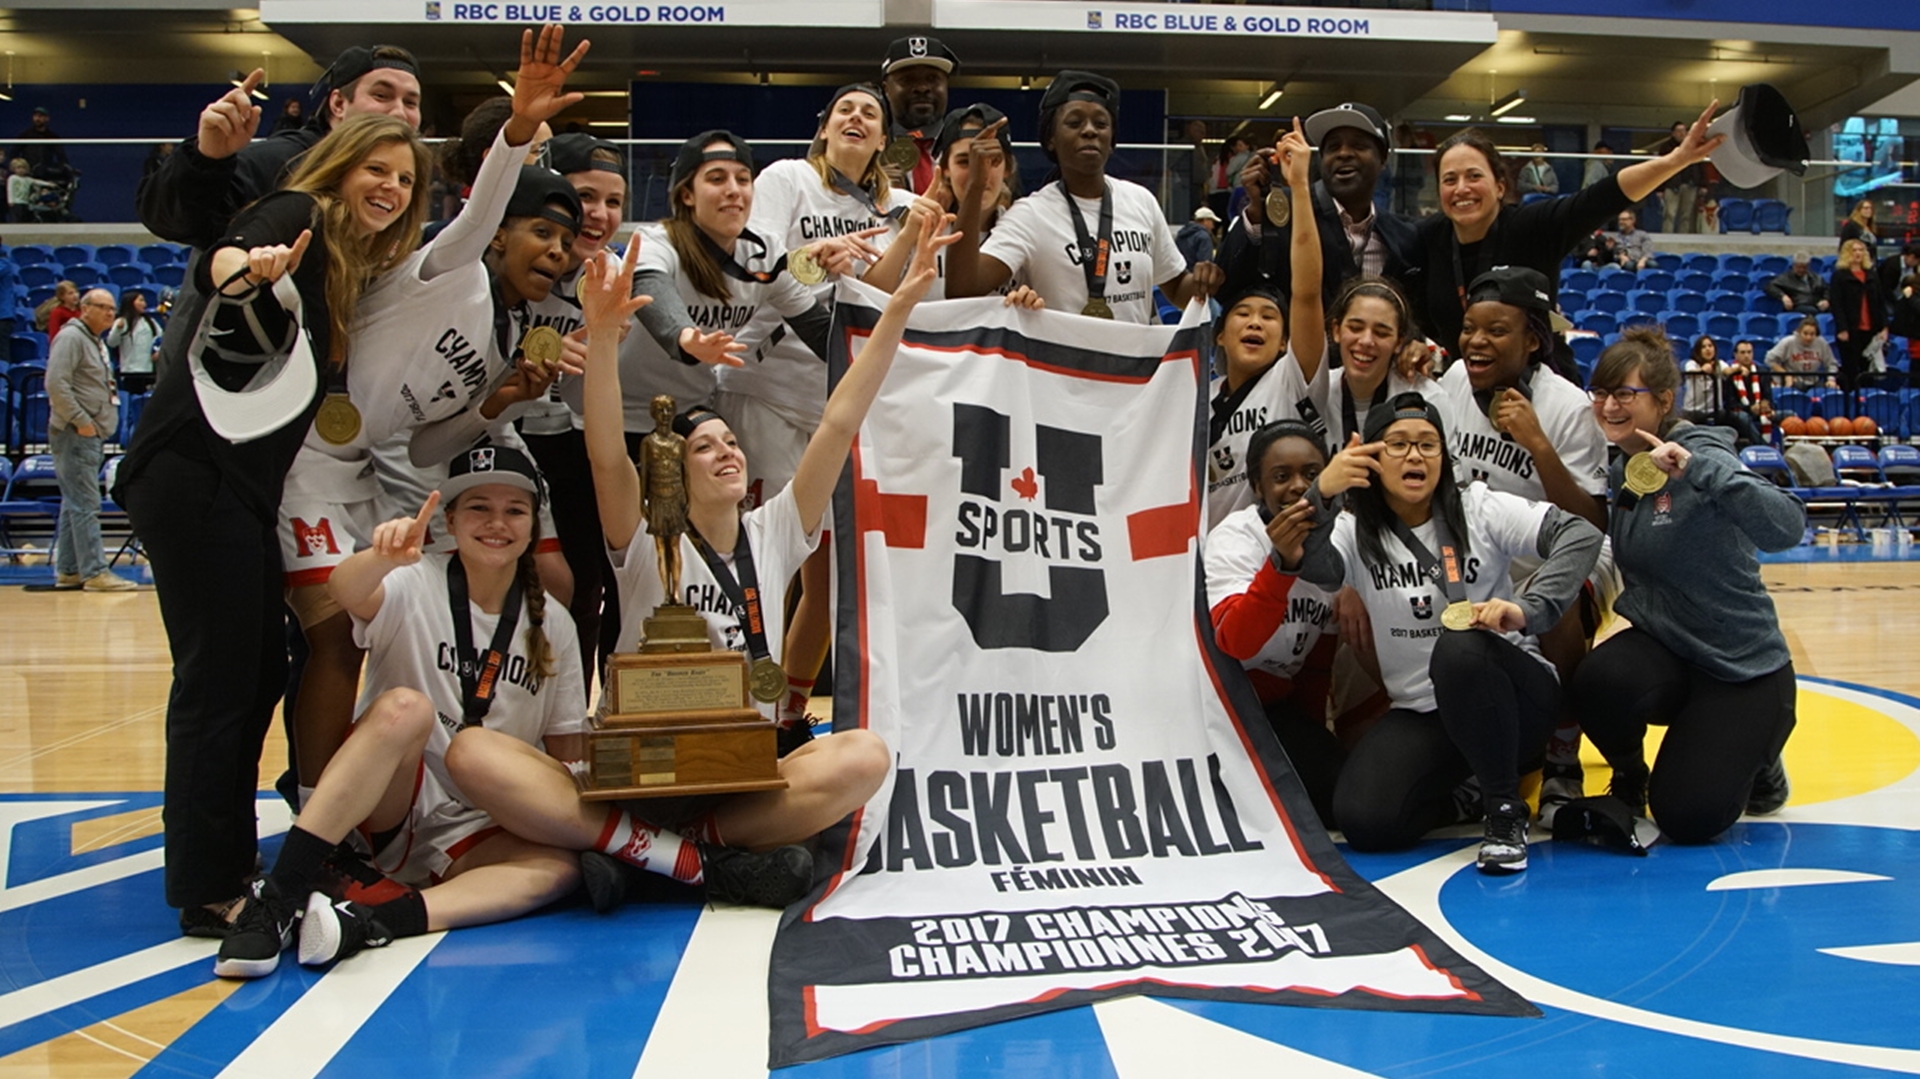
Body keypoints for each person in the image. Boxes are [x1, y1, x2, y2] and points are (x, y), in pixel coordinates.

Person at [443, 206, 939, 914]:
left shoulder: (776, 529)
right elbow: (606, 452)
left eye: (730, 443)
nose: (727, 451)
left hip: (738, 775)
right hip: (644, 771)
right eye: (704, 448)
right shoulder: (642, 537)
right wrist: (608, 335)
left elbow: (840, 417)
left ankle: (655, 855)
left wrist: (898, 311)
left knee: (862, 756)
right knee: (474, 754)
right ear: (673, 468)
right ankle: (699, 863)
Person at [109, 54, 436, 939]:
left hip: (235, 484)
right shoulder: (300, 211)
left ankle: (225, 858)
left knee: (254, 668)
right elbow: (224, 256)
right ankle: (210, 885)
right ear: (338, 153)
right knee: (222, 676)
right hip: (192, 467)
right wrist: (242, 271)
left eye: (405, 178)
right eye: (376, 167)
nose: (391, 186)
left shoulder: (348, 255)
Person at [271, 34, 587, 803]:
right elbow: (479, 211)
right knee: (332, 641)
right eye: (540, 233)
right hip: (308, 461)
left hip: (367, 475)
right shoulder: (447, 269)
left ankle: (377, 800)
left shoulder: (509, 334)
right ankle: (319, 808)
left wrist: (500, 400)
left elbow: (425, 440)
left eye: (565, 243)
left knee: (371, 638)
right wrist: (517, 128)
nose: (555, 252)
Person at [211, 445, 589, 978]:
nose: (497, 523)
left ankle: (376, 918)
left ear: (533, 525)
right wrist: (380, 558)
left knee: (559, 867)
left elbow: (566, 750)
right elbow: (347, 591)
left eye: (514, 510)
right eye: (478, 507)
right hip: (391, 806)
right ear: (450, 520)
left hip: (476, 821)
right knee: (403, 708)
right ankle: (276, 901)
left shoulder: (555, 623)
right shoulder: (416, 580)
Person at [1294, 393, 1602, 873]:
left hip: (1512, 700)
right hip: (1424, 713)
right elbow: (1310, 565)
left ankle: (1504, 810)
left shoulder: (1478, 508)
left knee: (1458, 646)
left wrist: (1529, 608)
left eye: (1427, 444)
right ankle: (1466, 797)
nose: (1415, 455)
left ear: (1444, 457)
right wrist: (1322, 494)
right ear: (1371, 458)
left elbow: (1580, 534)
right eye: (1397, 444)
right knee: (1365, 822)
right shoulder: (1355, 531)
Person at [1572, 328, 1803, 843]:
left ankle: (1760, 757)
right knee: (1599, 680)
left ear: (1664, 401)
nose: (1610, 405)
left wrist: (1702, 473)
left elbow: (1787, 526)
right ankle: (1631, 777)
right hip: (1670, 652)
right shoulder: (1621, 470)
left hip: (1741, 666)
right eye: (1602, 393)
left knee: (1686, 818)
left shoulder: (1704, 455)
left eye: (1625, 394)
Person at [1408, 105, 1724, 349]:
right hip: (1465, 396)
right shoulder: (1427, 237)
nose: (1461, 188)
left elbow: (1604, 196)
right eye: (1450, 180)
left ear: (1500, 186)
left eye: (1474, 176)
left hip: (1540, 390)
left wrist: (1676, 160)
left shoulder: (1533, 226)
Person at [944, 70, 1219, 322]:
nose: (1089, 130)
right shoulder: (1031, 214)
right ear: (1051, 139)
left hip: (1135, 372)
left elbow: (1176, 288)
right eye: (1074, 123)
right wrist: (975, 188)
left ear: (1112, 140)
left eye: (1101, 123)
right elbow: (963, 289)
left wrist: (1203, 281)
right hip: (1061, 372)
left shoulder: (1141, 201)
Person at [1205, 420, 1344, 824]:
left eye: (1312, 475)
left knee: (1338, 799)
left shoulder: (1343, 539)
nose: (1299, 486)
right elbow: (1235, 642)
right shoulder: (1235, 538)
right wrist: (1281, 566)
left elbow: (1316, 667)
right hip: (1220, 708)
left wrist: (1313, 740)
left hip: (1276, 711)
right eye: (1281, 477)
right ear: (1258, 487)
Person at [1219, 102, 1418, 320]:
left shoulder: (1404, 237)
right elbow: (1228, 286)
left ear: (1383, 160)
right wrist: (1257, 214)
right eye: (1333, 147)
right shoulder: (1283, 212)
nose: (1343, 153)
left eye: (1359, 145)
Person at [46, 289, 135, 593]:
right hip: (75, 432)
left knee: (74, 504)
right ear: (85, 309)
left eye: (112, 308)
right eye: (103, 307)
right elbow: (55, 383)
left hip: (88, 432)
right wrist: (82, 421)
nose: (110, 313)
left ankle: (70, 570)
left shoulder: (92, 339)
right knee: (85, 503)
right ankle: (95, 571)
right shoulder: (71, 338)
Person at [877, 35, 957, 194]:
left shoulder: (967, 148)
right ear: (886, 89)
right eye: (907, 80)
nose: (922, 88)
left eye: (933, 78)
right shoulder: (869, 152)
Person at [1830, 236, 1890, 391]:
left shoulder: (1871, 275)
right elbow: (1837, 304)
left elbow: (1880, 302)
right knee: (1850, 369)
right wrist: (1842, 328)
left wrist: (1884, 327)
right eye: (1854, 250)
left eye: (1861, 250)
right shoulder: (1840, 276)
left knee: (1867, 370)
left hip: (1871, 329)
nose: (1858, 253)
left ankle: (1866, 401)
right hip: (1850, 329)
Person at [1716, 339, 1772, 446]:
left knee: (1790, 415)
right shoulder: (1730, 374)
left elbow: (1768, 396)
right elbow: (1730, 403)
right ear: (1735, 355)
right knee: (1743, 417)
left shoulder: (1762, 372)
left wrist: (1767, 405)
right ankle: (1764, 446)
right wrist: (1750, 408)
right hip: (1737, 412)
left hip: (1760, 410)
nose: (1746, 355)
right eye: (1742, 352)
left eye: (1749, 352)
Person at [106, 290, 161, 394]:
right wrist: (118, 330)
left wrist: (159, 351)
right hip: (129, 372)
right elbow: (112, 343)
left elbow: (161, 339)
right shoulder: (122, 322)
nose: (144, 304)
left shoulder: (150, 322)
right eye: (140, 300)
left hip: (148, 370)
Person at [1653, 120, 1702, 233]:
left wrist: (1702, 183)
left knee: (1686, 215)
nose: (1681, 133)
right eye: (1678, 131)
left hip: (1689, 184)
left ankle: (1683, 237)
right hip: (1671, 184)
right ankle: (1667, 237)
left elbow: (1699, 166)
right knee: (1669, 213)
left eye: (1684, 130)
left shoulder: (1692, 146)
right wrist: (1660, 188)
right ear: (1673, 133)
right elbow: (1660, 168)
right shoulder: (1666, 147)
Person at [1765, 317, 1838, 389]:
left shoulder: (1821, 343)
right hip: (1794, 381)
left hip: (1814, 382)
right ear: (1799, 332)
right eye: (1805, 334)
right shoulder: (1788, 342)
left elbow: (1832, 364)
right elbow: (1769, 359)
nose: (1808, 337)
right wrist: (1786, 374)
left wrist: (1831, 380)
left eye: (1812, 334)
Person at [11, 106, 70, 179]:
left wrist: (62, 170)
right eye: (35, 116)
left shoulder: (52, 137)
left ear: (47, 118)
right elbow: (13, 154)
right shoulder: (25, 135)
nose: (37, 119)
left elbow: (61, 157)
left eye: (41, 116)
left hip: (46, 174)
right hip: (28, 175)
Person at [7, 158, 58, 222]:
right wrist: (11, 200)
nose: (21, 170)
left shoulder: (28, 179)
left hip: (25, 202)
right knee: (16, 218)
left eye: (23, 168)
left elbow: (37, 181)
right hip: (16, 202)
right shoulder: (12, 178)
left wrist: (49, 184)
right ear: (14, 168)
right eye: (18, 167)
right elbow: (10, 189)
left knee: (24, 218)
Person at [1682, 335, 1721, 418]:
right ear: (1698, 351)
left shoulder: (1719, 364)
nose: (1708, 349)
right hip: (1692, 411)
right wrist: (1702, 370)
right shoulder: (1691, 363)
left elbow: (1728, 370)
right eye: (1703, 347)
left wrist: (1739, 368)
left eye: (1710, 346)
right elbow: (1691, 372)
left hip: (1714, 411)